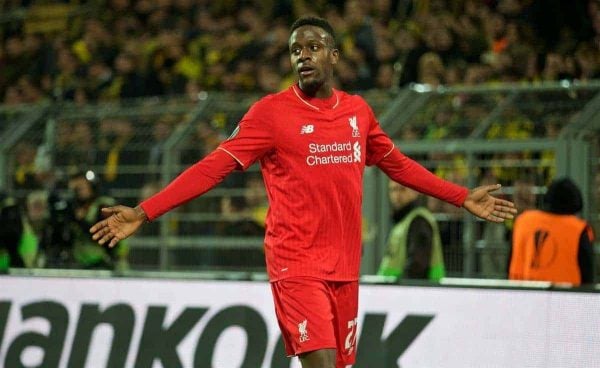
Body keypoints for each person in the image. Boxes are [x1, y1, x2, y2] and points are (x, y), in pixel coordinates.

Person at [90, 16, 517, 368]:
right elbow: (212, 168)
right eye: (296, 50)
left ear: (334, 55)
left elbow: (398, 165)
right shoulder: (270, 114)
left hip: (345, 267)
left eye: (312, 47)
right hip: (296, 264)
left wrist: (462, 196)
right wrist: (145, 212)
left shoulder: (357, 112)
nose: (303, 56)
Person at [509, 177, 595, 286]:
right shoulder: (579, 230)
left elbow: (511, 264)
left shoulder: (523, 222)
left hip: (522, 297)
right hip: (567, 300)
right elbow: (587, 278)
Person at [378, 181, 445, 282]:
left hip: (409, 292)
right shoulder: (404, 220)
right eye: (393, 190)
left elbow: (417, 266)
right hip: (396, 291)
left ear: (415, 191)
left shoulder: (419, 220)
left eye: (402, 189)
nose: (397, 195)